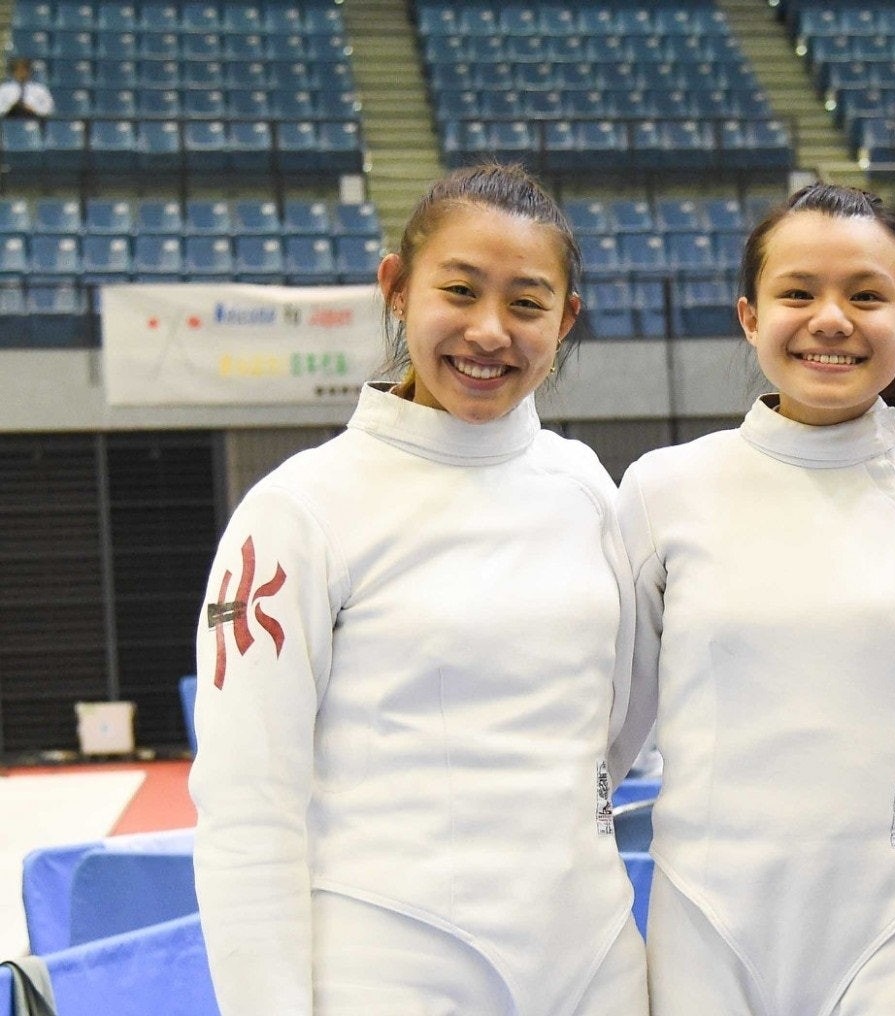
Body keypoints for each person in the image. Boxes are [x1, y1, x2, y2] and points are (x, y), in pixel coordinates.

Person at [190, 163, 650, 1015]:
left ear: (565, 320)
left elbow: (615, 724)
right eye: (460, 291)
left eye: (526, 303)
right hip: (387, 969)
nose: (489, 331)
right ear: (397, 289)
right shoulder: (298, 511)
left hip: (592, 959)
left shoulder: (587, 486)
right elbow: (246, 806)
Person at [616, 183, 895, 1016]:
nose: (830, 320)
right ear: (749, 315)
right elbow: (608, 735)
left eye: (865, 296)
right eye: (798, 293)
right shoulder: (664, 492)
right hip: (708, 929)